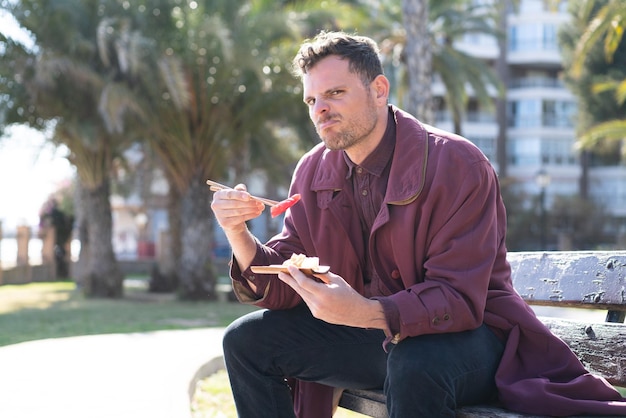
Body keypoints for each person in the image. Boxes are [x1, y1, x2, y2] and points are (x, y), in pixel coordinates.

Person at [210, 31, 626, 418]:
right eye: (311, 100)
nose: (320, 109)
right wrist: (238, 233)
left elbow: (460, 299)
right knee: (245, 342)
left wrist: (368, 311)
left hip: (474, 338)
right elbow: (289, 271)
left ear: (378, 90)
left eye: (335, 93)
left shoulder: (457, 163)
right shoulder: (313, 169)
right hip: (377, 339)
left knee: (413, 364)